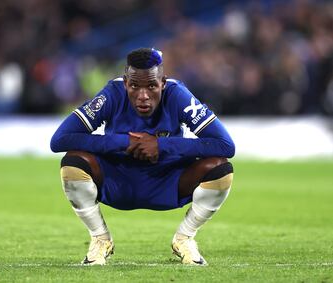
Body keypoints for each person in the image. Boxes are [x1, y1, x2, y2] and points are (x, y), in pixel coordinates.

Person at [50, 47, 235, 266]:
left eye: (152, 86)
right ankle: (100, 239)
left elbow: (225, 145)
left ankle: (184, 238)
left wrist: (161, 145)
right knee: (73, 163)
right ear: (126, 82)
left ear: (163, 83)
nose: (143, 96)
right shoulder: (112, 94)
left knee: (220, 169)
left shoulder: (178, 95)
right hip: (118, 180)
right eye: (135, 86)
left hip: (168, 180)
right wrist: (123, 142)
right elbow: (59, 140)